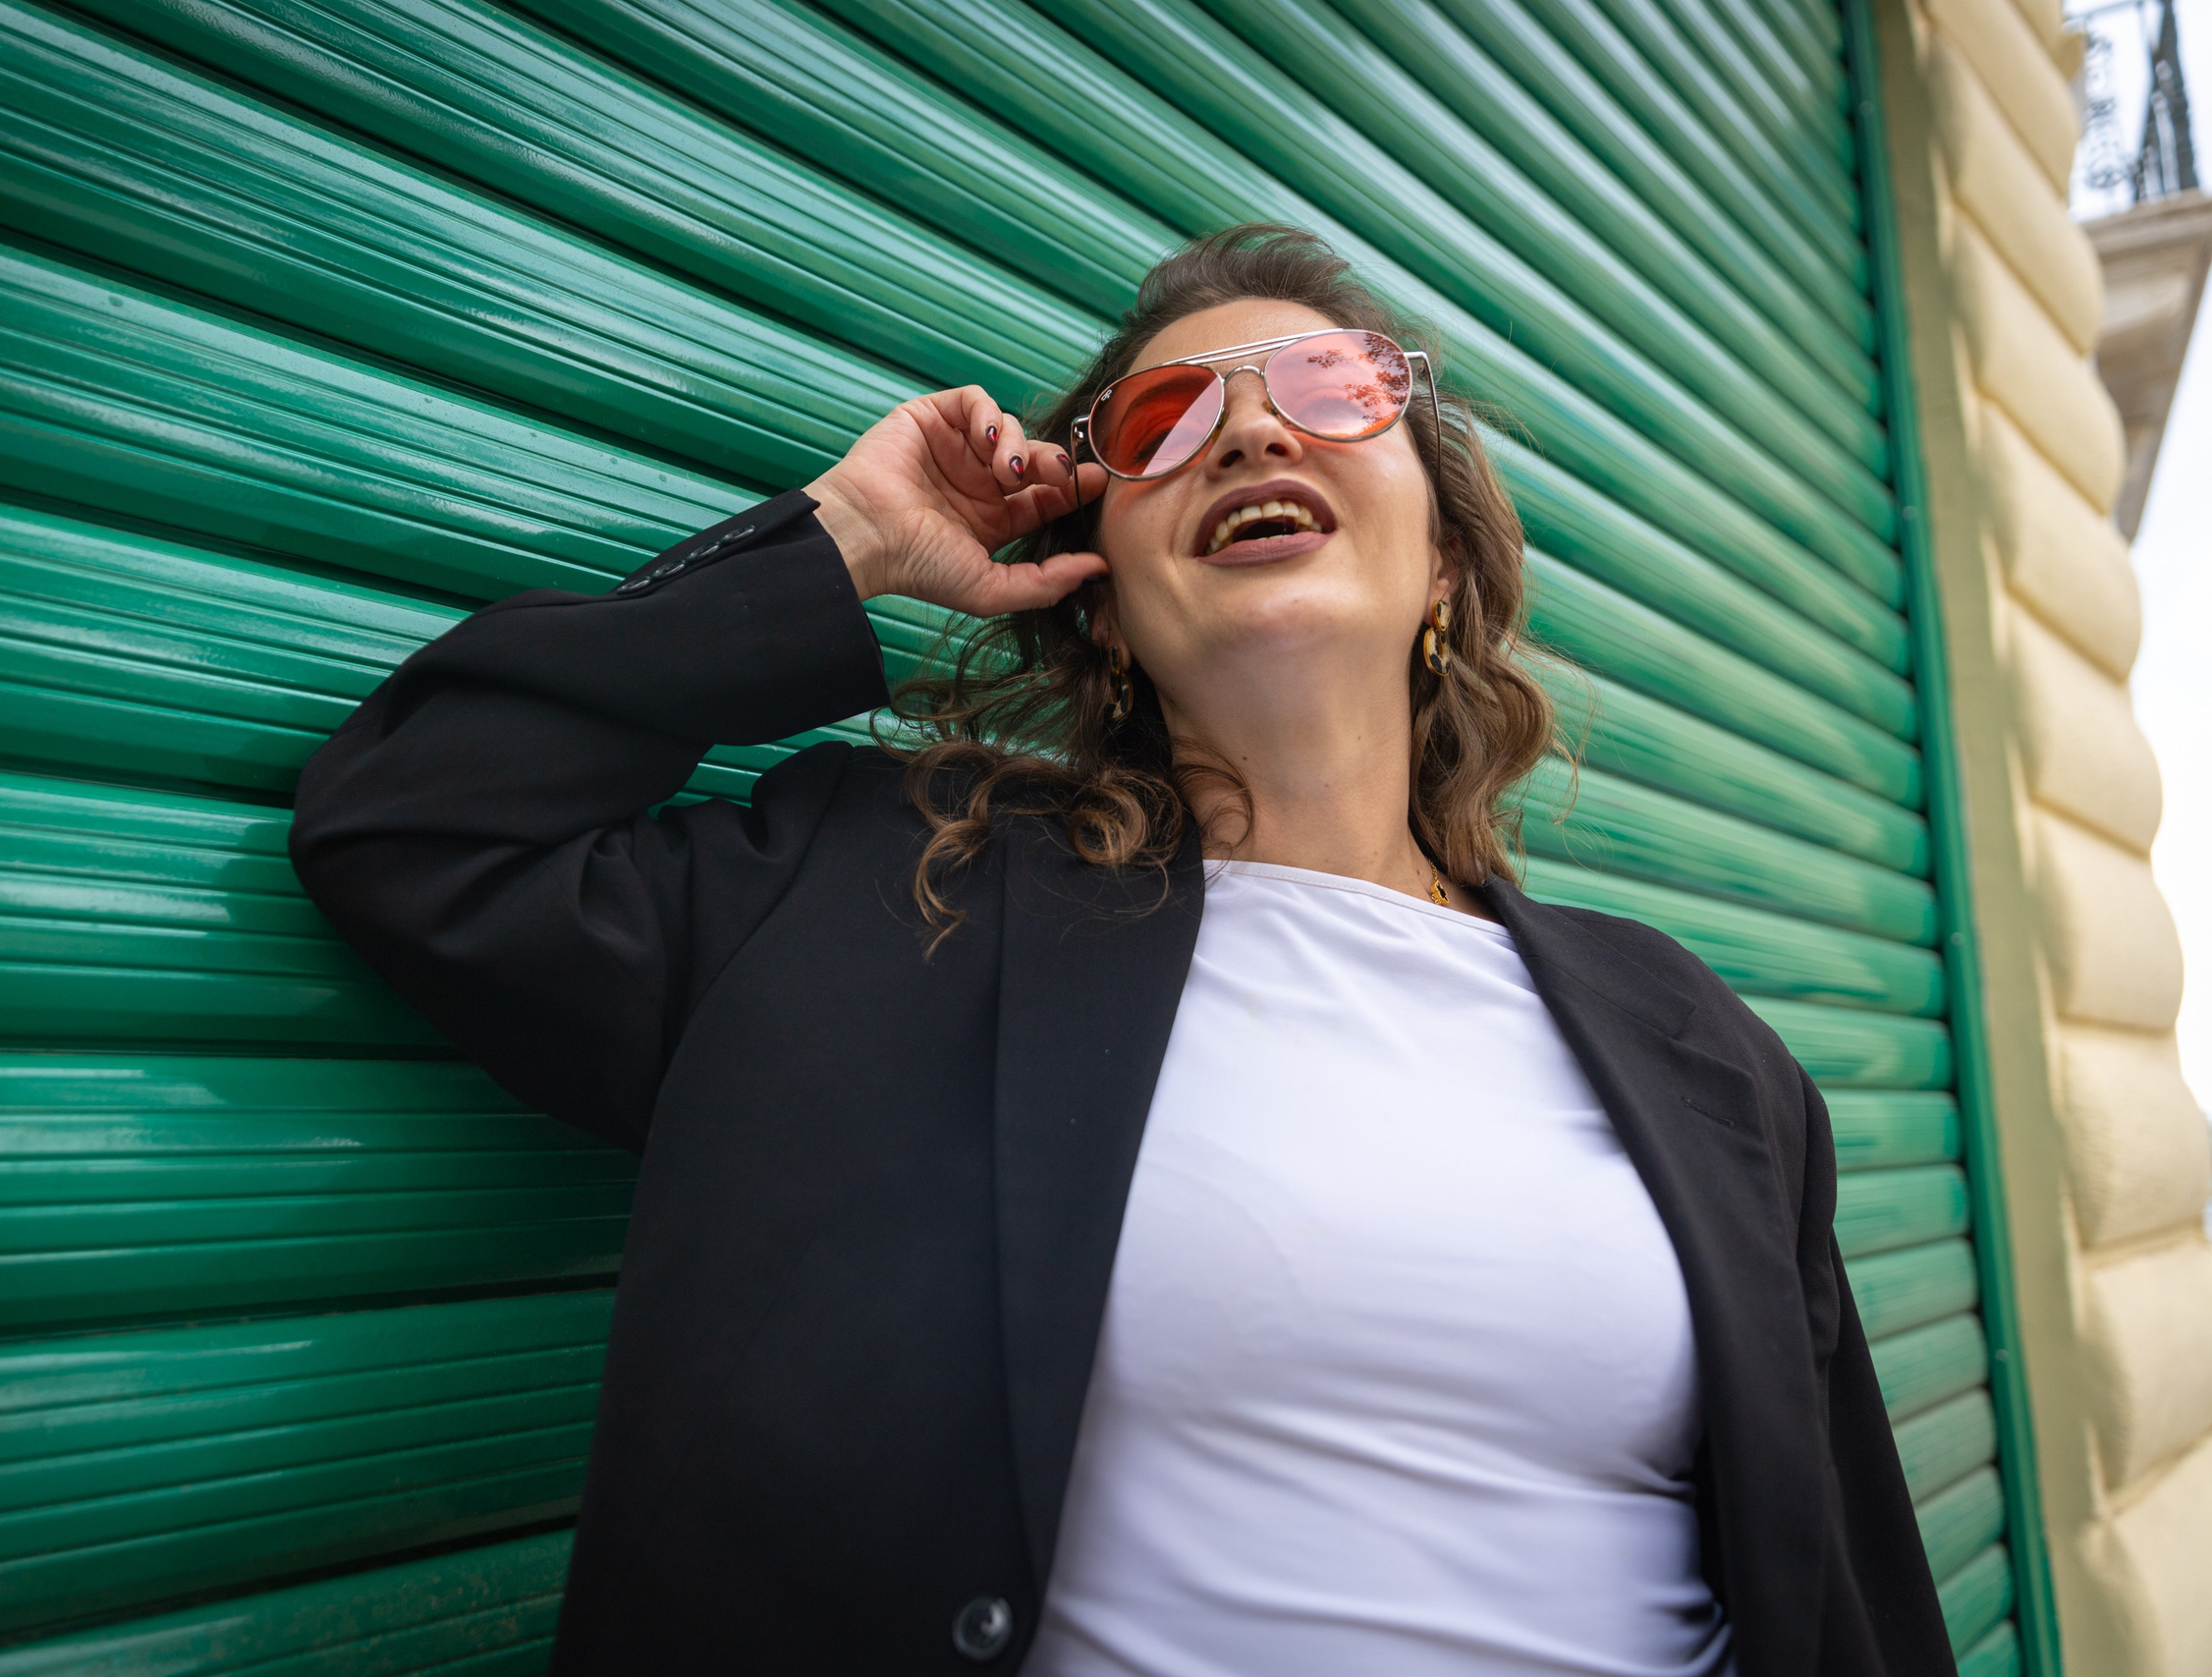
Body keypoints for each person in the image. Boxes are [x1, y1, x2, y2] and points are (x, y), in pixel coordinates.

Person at [291, 226, 1954, 1676]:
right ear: (1100, 603)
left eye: (1332, 390)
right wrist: (843, 540)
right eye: (1166, 424)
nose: (1251, 430)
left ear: (1444, 556)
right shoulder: (885, 898)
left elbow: (1849, 1590)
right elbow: (419, 828)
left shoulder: (1701, 1047)